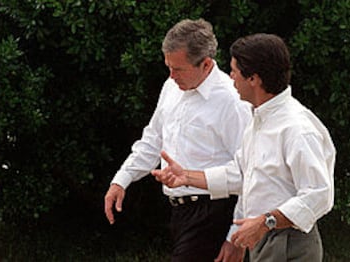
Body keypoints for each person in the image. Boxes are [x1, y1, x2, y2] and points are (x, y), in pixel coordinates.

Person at [152, 33, 336, 262]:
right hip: (264, 238)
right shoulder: (258, 120)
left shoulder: (296, 128)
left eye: (235, 71)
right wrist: (187, 177)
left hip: (288, 241)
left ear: (253, 79)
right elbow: (241, 175)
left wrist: (265, 221)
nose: (231, 78)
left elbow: (319, 194)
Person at [103, 18, 251, 261]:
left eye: (178, 69)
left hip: (216, 211)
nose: (171, 76)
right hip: (179, 212)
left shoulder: (232, 101)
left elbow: (249, 171)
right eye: (168, 67)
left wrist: (236, 236)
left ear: (205, 64)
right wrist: (121, 180)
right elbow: (153, 140)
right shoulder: (171, 86)